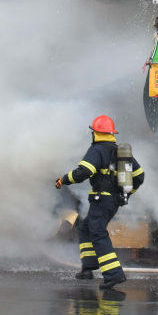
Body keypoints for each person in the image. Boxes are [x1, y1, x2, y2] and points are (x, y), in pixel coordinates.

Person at [55, 115, 145, 289]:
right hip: (112, 202)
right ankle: (88, 268)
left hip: (101, 200)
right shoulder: (119, 152)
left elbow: (84, 172)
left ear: (95, 133)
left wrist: (64, 179)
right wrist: (127, 194)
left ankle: (114, 274)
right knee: (86, 228)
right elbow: (139, 176)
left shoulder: (97, 149)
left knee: (98, 233)